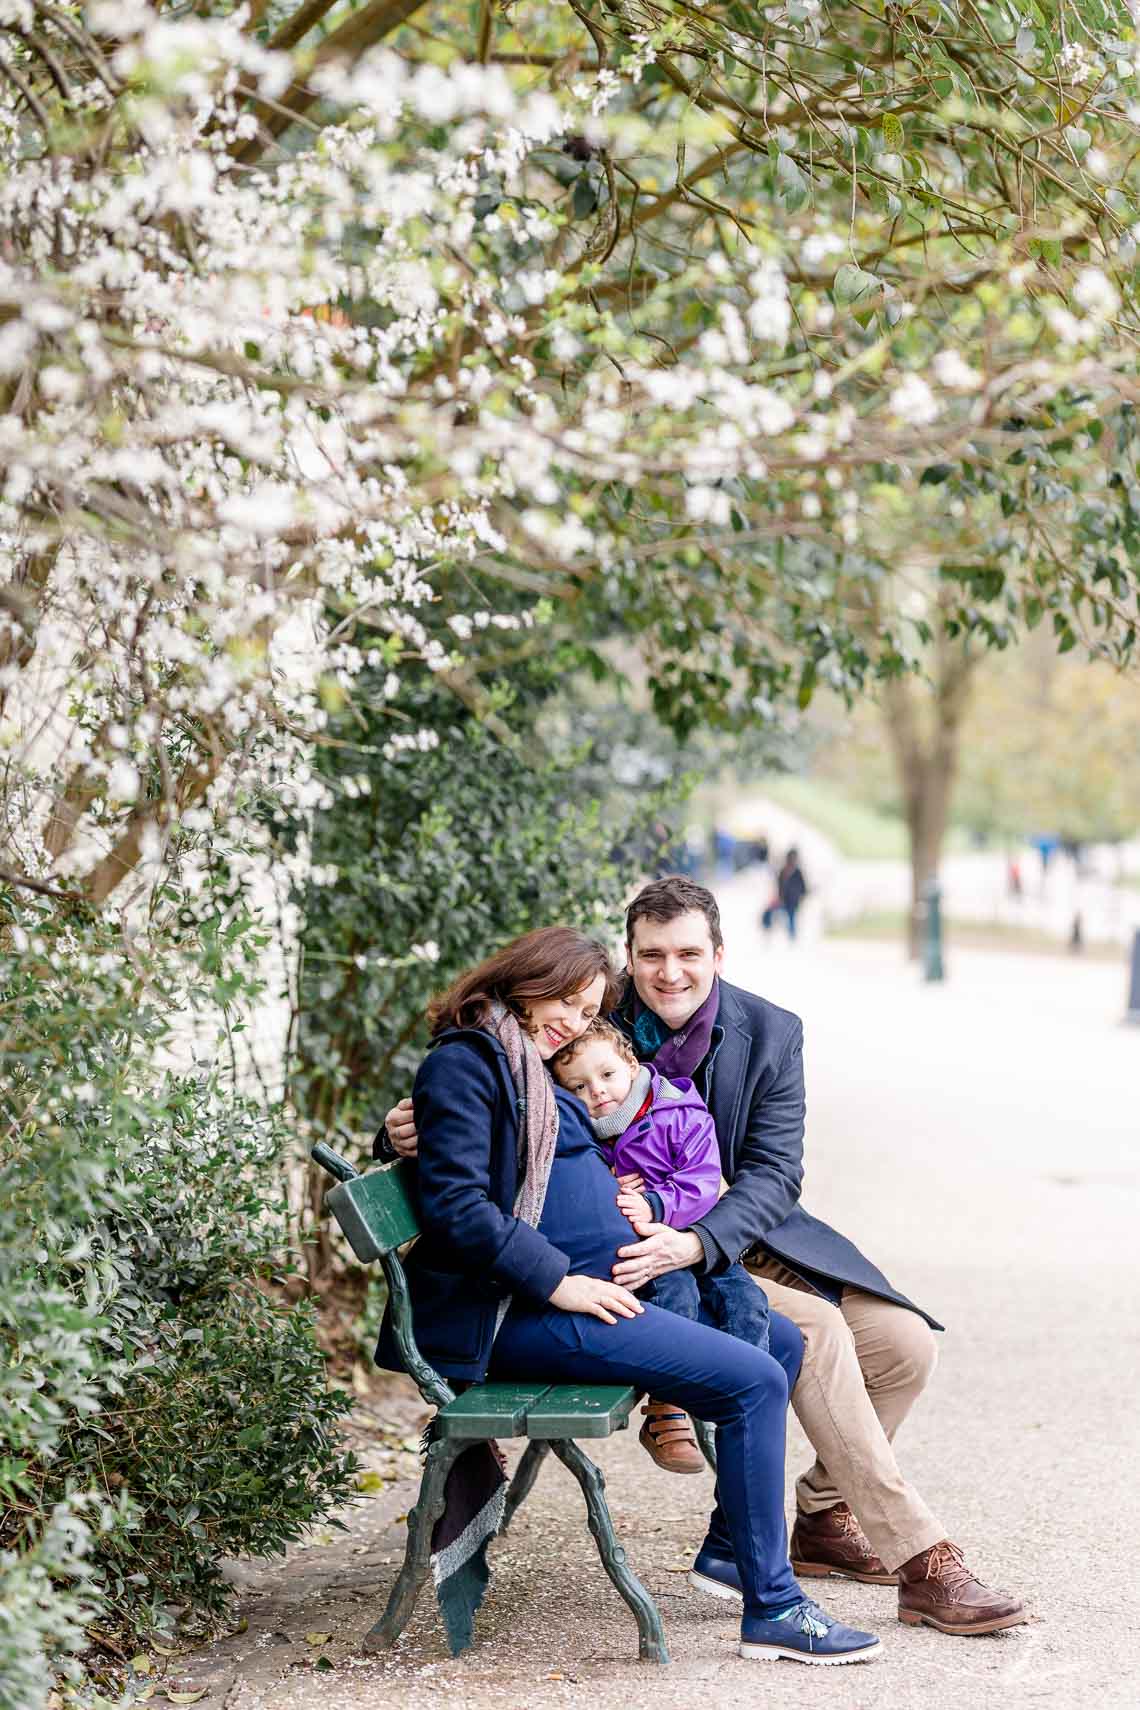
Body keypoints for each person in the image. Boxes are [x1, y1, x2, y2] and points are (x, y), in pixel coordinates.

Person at [379, 885, 1026, 1637]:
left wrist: (693, 1240)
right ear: (626, 962)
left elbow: (775, 1175)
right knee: (797, 1342)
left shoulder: (767, 1032)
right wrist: (395, 1135)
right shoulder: (559, 1036)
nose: (669, 972)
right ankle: (901, 1565)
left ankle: (804, 1521)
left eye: (689, 954)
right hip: (600, 1276)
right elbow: (466, 1140)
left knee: (901, 1347)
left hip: (725, 1242)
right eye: (651, 955)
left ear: (718, 956)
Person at [549, 1017, 771, 1475]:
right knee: (675, 1297)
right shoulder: (582, 1131)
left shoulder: (678, 1113)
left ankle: (744, 1386)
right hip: (645, 1254)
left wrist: (655, 1202)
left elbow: (704, 1182)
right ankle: (666, 1407)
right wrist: (605, 1184)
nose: (597, 1091)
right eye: (579, 1086)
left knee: (746, 1302)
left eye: (607, 1074)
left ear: (631, 1064)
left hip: (692, 1238)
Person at [762, 847, 808, 940]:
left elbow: (803, 888)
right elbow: (779, 886)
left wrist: (799, 896)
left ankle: (792, 937)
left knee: (791, 919)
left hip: (793, 902)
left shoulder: (798, 873)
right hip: (782, 900)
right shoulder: (783, 871)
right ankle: (768, 930)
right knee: (769, 913)